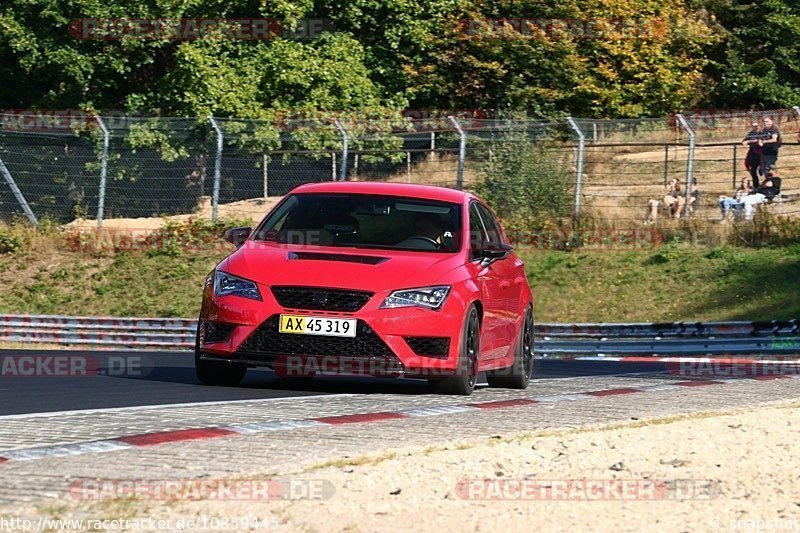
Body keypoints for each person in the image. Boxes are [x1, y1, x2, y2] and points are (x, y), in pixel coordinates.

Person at [742, 120, 763, 188]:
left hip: (761, 154)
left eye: (756, 126)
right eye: (754, 126)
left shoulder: (762, 133)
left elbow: (759, 141)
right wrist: (745, 141)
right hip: (752, 154)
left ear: (759, 126)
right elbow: (744, 141)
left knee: (763, 170)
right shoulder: (751, 133)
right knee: (752, 171)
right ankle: (756, 186)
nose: (755, 127)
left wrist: (749, 141)